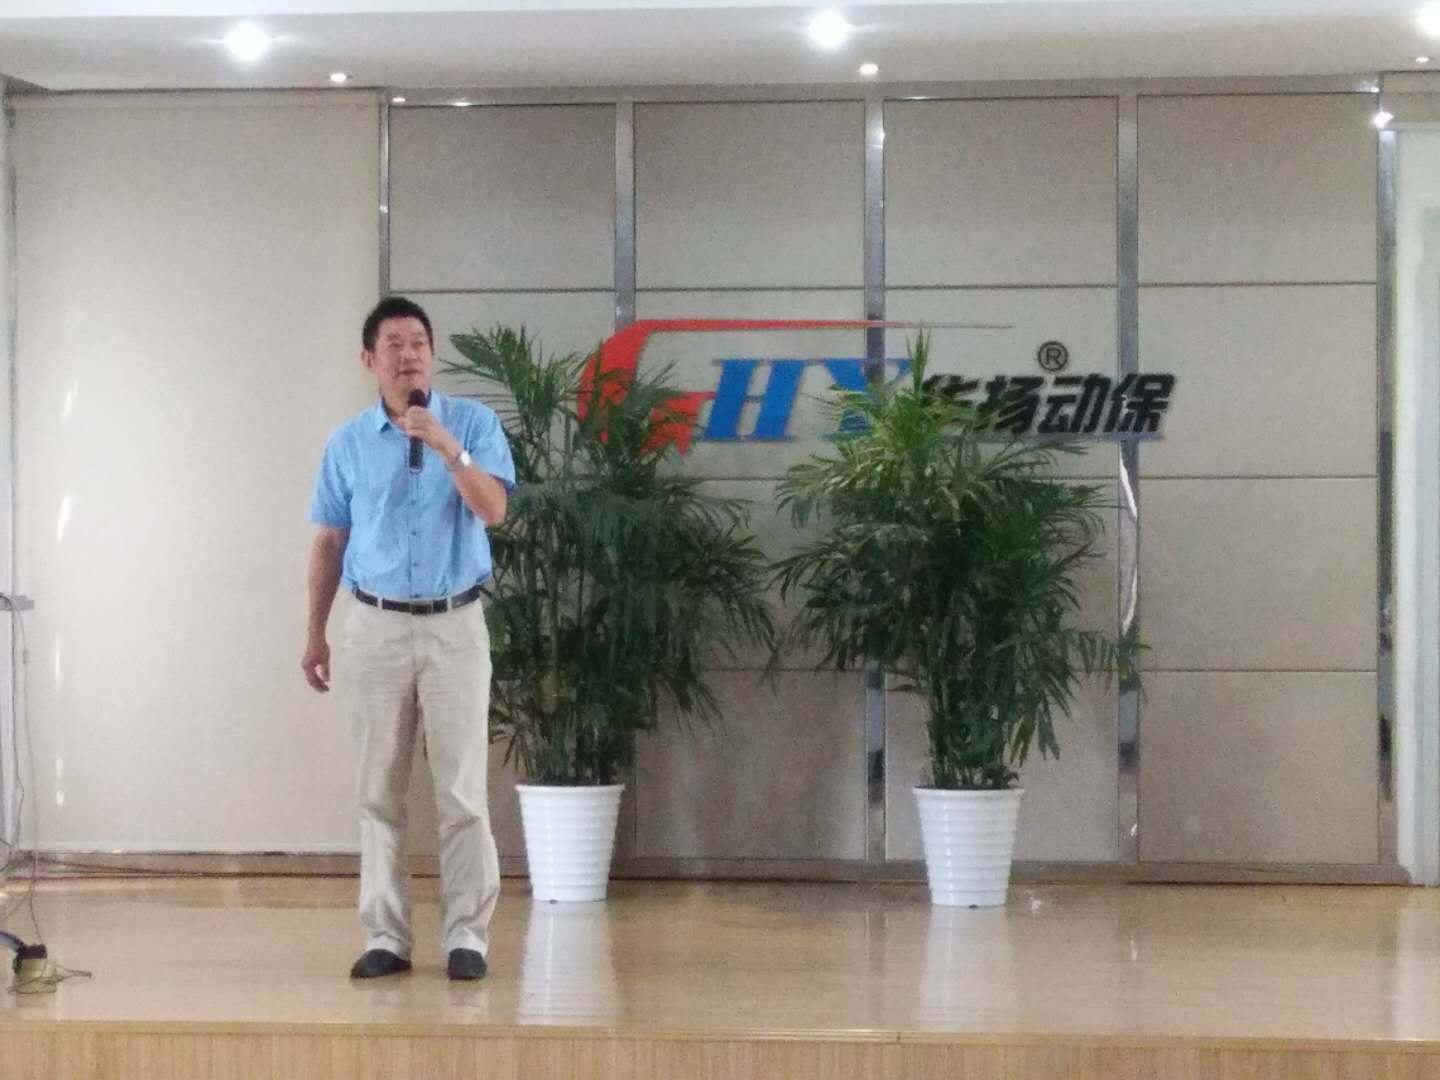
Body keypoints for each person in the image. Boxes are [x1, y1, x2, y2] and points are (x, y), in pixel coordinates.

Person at [302, 296, 514, 981]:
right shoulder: (347, 443)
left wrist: (449, 448)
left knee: (462, 792)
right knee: (378, 791)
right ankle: (386, 936)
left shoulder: (472, 425)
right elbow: (330, 542)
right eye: (393, 344)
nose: (409, 354)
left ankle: (468, 937)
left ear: (432, 353)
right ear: (370, 359)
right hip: (375, 626)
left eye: (418, 342)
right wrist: (315, 634)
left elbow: (495, 509)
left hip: (455, 625)